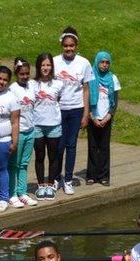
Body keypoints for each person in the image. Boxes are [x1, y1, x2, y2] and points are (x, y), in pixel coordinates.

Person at [53, 26, 94, 194]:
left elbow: (86, 89)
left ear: (76, 45)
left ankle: (68, 179)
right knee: (58, 145)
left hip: (76, 109)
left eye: (71, 45)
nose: (68, 48)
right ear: (62, 45)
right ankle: (55, 178)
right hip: (58, 109)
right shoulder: (55, 61)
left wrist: (86, 113)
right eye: (65, 45)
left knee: (71, 145)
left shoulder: (84, 63)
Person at [32, 52, 64, 200]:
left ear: (52, 66)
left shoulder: (58, 83)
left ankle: (51, 185)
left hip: (53, 125)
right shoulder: (33, 84)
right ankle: (41, 186)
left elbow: (59, 99)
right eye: (43, 65)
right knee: (39, 156)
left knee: (53, 157)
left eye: (48, 65)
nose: (46, 68)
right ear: (39, 66)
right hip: (37, 125)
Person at [7, 58, 38, 208]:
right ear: (16, 73)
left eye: (27, 74)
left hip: (30, 131)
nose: (25, 77)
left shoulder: (32, 86)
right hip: (18, 132)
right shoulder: (12, 88)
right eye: (22, 74)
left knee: (24, 164)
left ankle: (22, 192)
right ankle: (12, 194)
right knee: (14, 164)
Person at [87, 51, 120, 186]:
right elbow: (86, 98)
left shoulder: (113, 78)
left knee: (104, 147)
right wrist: (91, 116)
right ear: (97, 62)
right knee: (93, 146)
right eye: (102, 62)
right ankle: (92, 175)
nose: (104, 65)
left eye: (107, 62)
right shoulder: (90, 78)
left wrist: (108, 116)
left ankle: (104, 176)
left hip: (106, 117)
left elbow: (115, 101)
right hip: (93, 117)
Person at [0, 65, 21, 213]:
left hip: (3, 139)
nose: (1, 82)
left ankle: (4, 198)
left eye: (5, 80)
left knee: (1, 169)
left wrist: (14, 142)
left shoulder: (12, 98)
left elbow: (15, 122)